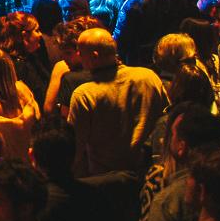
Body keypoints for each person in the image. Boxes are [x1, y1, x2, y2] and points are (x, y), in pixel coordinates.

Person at [66, 29, 165, 175]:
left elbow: (76, 147)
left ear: (94, 56)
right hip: (150, 173)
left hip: (108, 178)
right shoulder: (148, 77)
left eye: (80, 51)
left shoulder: (85, 95)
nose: (78, 55)